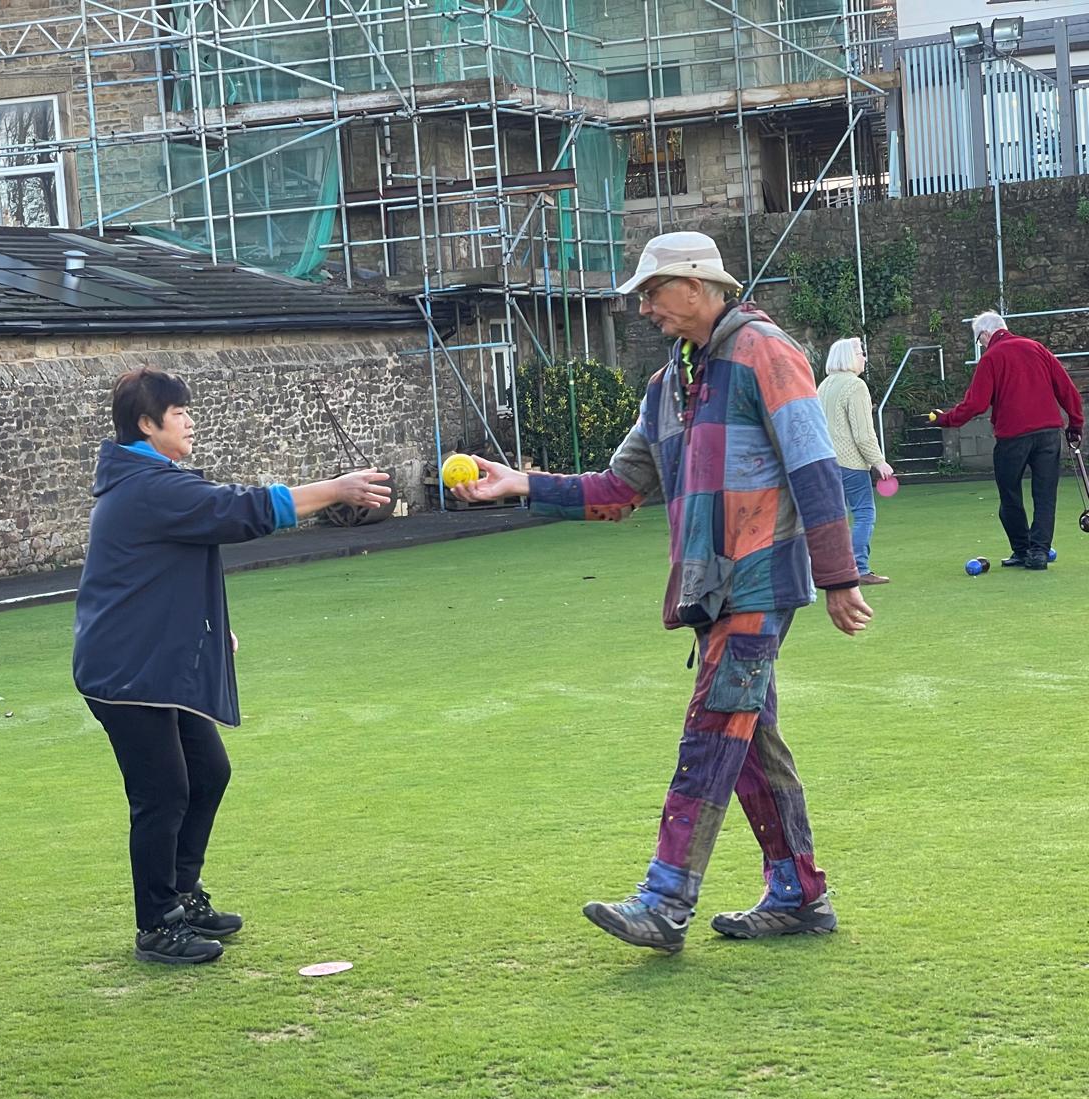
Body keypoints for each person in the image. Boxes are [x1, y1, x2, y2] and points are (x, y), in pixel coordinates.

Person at [455, 231, 872, 954]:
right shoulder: (668, 386)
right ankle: (800, 894)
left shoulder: (766, 354)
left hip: (757, 582)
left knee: (712, 731)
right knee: (746, 742)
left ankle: (665, 899)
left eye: (654, 291)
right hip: (712, 591)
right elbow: (620, 488)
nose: (643, 307)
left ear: (702, 286)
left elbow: (814, 466)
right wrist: (521, 483)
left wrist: (838, 577)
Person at [73, 367, 390, 965]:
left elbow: (159, 570)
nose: (190, 420)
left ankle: (183, 893)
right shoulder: (148, 487)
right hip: (123, 671)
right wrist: (336, 489)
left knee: (207, 772)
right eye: (178, 413)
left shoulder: (150, 481)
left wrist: (207, 629)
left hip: (152, 663)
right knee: (162, 792)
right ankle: (157, 924)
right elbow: (240, 510)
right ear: (147, 424)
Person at [928, 311, 1084, 570]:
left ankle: (1022, 549)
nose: (980, 346)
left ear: (987, 334)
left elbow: (975, 404)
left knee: (1009, 494)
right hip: (1048, 434)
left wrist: (945, 420)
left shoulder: (991, 358)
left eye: (979, 341)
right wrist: (1075, 425)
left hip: (1012, 436)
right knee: (1045, 496)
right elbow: (1067, 389)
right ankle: (1039, 553)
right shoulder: (1037, 349)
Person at [818, 336, 893, 585]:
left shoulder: (824, 386)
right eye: (861, 353)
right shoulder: (856, 386)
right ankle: (859, 568)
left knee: (833, 518)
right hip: (850, 463)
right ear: (849, 358)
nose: (864, 357)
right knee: (864, 514)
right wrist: (879, 462)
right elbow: (863, 434)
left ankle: (829, 570)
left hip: (826, 462)